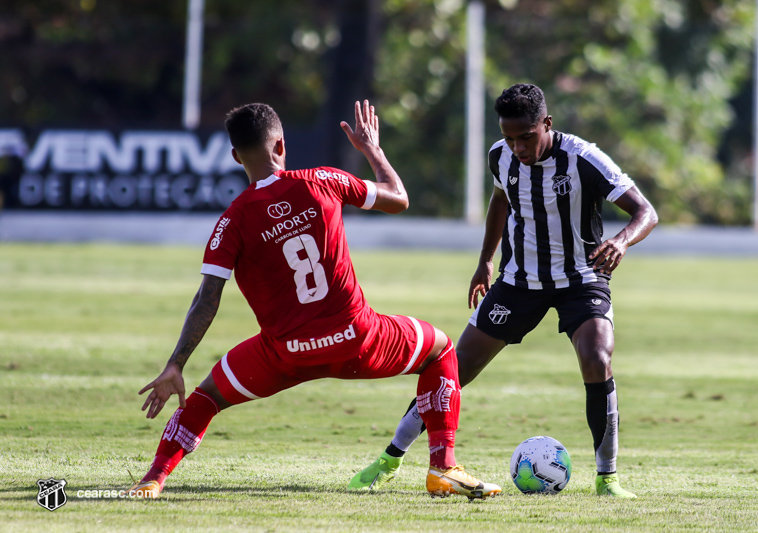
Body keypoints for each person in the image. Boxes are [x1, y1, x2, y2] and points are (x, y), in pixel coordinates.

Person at [128, 100, 501, 500]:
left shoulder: (232, 221)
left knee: (206, 397)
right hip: (360, 340)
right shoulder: (321, 179)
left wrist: (175, 364)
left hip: (284, 355)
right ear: (281, 146)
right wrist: (372, 150)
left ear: (236, 156)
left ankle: (153, 478)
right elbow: (398, 197)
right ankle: (443, 467)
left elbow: (207, 299)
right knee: (440, 350)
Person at [348, 84, 658, 498]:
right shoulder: (501, 156)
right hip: (517, 282)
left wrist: (621, 241)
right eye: (509, 138)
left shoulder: (584, 158)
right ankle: (390, 458)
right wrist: (484, 260)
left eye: (526, 138)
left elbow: (646, 211)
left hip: (581, 279)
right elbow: (499, 200)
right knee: (453, 368)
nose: (517, 148)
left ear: (546, 124)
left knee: (597, 356)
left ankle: (608, 479)